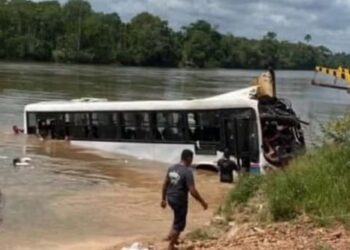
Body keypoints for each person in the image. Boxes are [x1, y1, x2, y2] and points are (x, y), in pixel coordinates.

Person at [161, 149, 208, 250]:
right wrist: (203, 202)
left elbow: (165, 184)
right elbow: (193, 191)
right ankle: (171, 246)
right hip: (179, 200)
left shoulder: (171, 168)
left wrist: (163, 199)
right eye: (192, 159)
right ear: (189, 158)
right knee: (180, 224)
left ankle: (170, 236)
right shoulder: (187, 172)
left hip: (170, 198)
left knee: (177, 216)